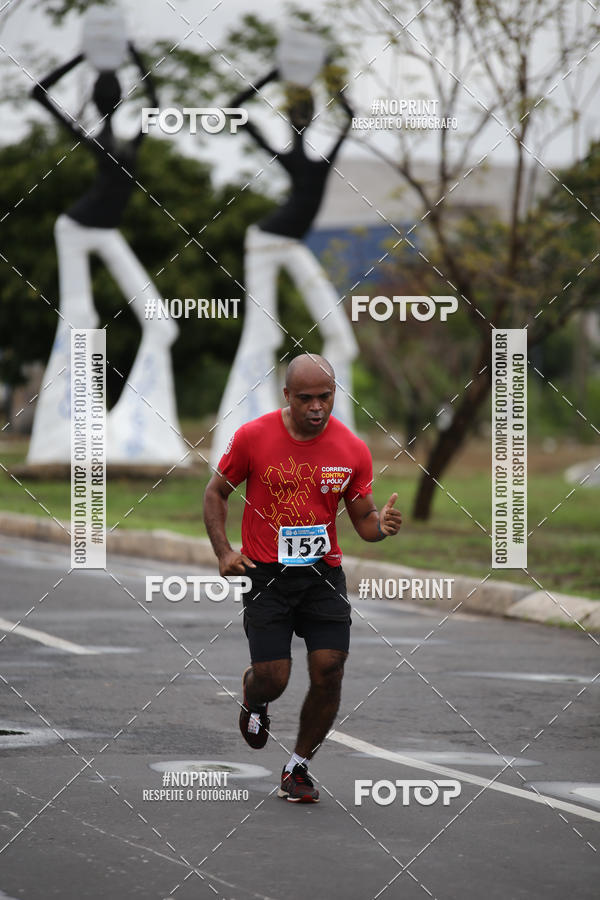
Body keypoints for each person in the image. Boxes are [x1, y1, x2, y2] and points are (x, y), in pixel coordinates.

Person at [203, 353, 402, 803]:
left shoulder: (352, 449)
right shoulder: (254, 437)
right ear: (287, 396)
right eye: (306, 398)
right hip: (265, 575)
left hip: (322, 575)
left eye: (325, 397)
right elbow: (216, 492)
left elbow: (364, 520)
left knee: (330, 669)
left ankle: (298, 767)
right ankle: (255, 696)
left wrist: (382, 527)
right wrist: (224, 552)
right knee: (274, 678)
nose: (316, 406)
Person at [27, 44, 186, 464]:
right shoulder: (96, 139)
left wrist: (131, 53)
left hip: (105, 231)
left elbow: (156, 103)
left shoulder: (131, 139)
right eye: (108, 92)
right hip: (75, 229)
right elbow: (38, 93)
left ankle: (140, 432)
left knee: (162, 324)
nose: (111, 97)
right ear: (102, 100)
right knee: (80, 321)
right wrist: (82, 56)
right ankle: (69, 434)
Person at [209, 69, 359, 466]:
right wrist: (274, 74)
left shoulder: (319, 159)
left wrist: (330, 81)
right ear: (292, 118)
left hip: (290, 245)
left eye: (306, 112)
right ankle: (240, 440)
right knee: (261, 337)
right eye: (297, 113)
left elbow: (350, 118)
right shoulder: (290, 156)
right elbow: (235, 110)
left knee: (342, 339)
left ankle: (336, 441)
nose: (302, 119)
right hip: (262, 243)